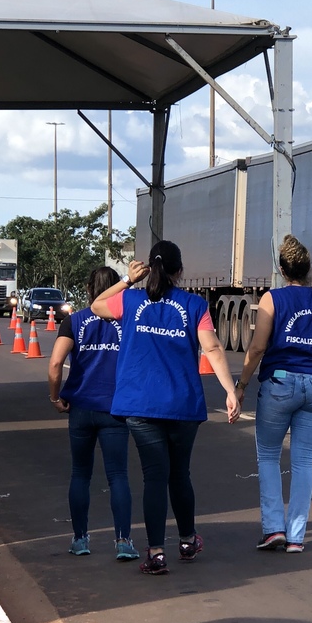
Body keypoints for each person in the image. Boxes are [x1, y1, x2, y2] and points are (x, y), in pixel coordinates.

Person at [92, 240, 240, 575]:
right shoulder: (193, 304)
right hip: (183, 404)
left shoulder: (130, 300)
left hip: (140, 406)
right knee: (180, 474)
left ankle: (156, 554)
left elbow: (97, 303)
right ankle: (187, 541)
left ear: (149, 267)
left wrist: (128, 280)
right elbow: (213, 348)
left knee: (154, 478)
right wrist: (230, 391)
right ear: (180, 271)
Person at [237, 235, 312, 553]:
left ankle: (273, 530)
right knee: (304, 462)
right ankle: (296, 537)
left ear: (282, 269)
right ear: (309, 270)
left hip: (280, 383)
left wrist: (240, 385)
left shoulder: (272, 299)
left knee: (268, 456)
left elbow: (257, 348)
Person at [48, 267, 139, 560]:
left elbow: (54, 364)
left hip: (81, 407)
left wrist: (55, 397)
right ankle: (123, 541)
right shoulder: (127, 321)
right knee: (118, 476)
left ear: (89, 289)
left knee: (80, 474)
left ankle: (80, 539)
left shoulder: (74, 321)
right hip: (115, 408)